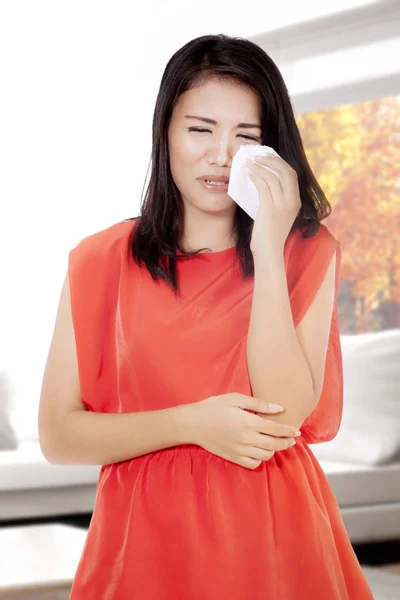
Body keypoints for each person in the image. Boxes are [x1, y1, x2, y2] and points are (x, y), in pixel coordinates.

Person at [38, 34, 374, 599]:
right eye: (200, 129)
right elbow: (58, 434)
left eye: (247, 136)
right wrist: (193, 424)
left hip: (273, 536)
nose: (222, 155)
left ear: (272, 148)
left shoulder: (307, 253)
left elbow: (285, 411)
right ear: (165, 130)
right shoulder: (99, 261)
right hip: (143, 539)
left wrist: (269, 246)